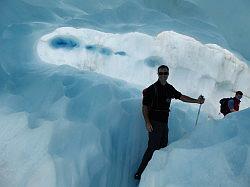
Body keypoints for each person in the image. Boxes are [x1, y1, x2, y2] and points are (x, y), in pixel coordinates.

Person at [134, 65, 205, 180]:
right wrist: (147, 122)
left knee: (163, 147)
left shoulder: (169, 88)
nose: (163, 75)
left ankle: (156, 174)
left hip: (164, 124)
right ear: (157, 74)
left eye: (165, 73)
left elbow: (181, 97)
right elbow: (144, 107)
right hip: (155, 123)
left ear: (168, 74)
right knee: (152, 148)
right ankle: (140, 173)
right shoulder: (152, 89)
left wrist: (196, 101)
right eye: (161, 73)